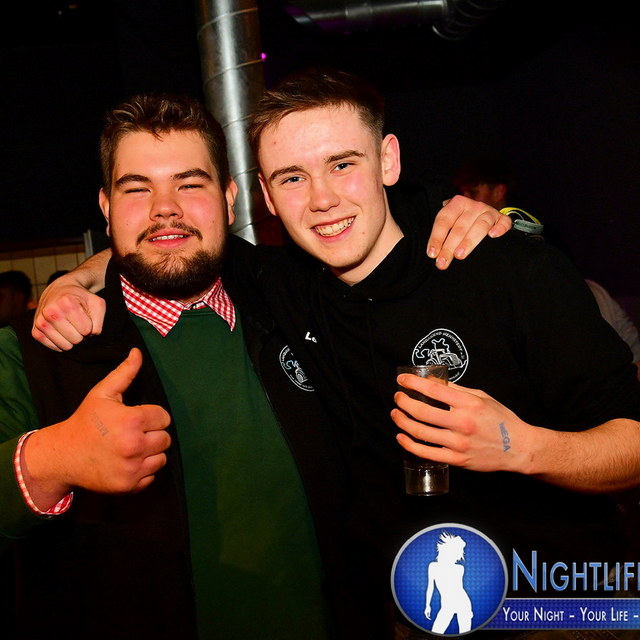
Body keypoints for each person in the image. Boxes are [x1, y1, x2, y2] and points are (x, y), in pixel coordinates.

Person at [32, 68, 640, 638]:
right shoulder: (285, 284)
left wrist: (520, 447)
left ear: (388, 160)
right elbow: (168, 240)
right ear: (266, 197)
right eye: (292, 177)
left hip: (557, 609)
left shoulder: (504, 269)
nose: (321, 199)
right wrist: (74, 280)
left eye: (343, 165)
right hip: (403, 614)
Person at [454, 157, 640, 377]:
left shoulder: (535, 237)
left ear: (499, 192)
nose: (465, 200)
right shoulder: (466, 239)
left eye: (473, 192)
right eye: (462, 193)